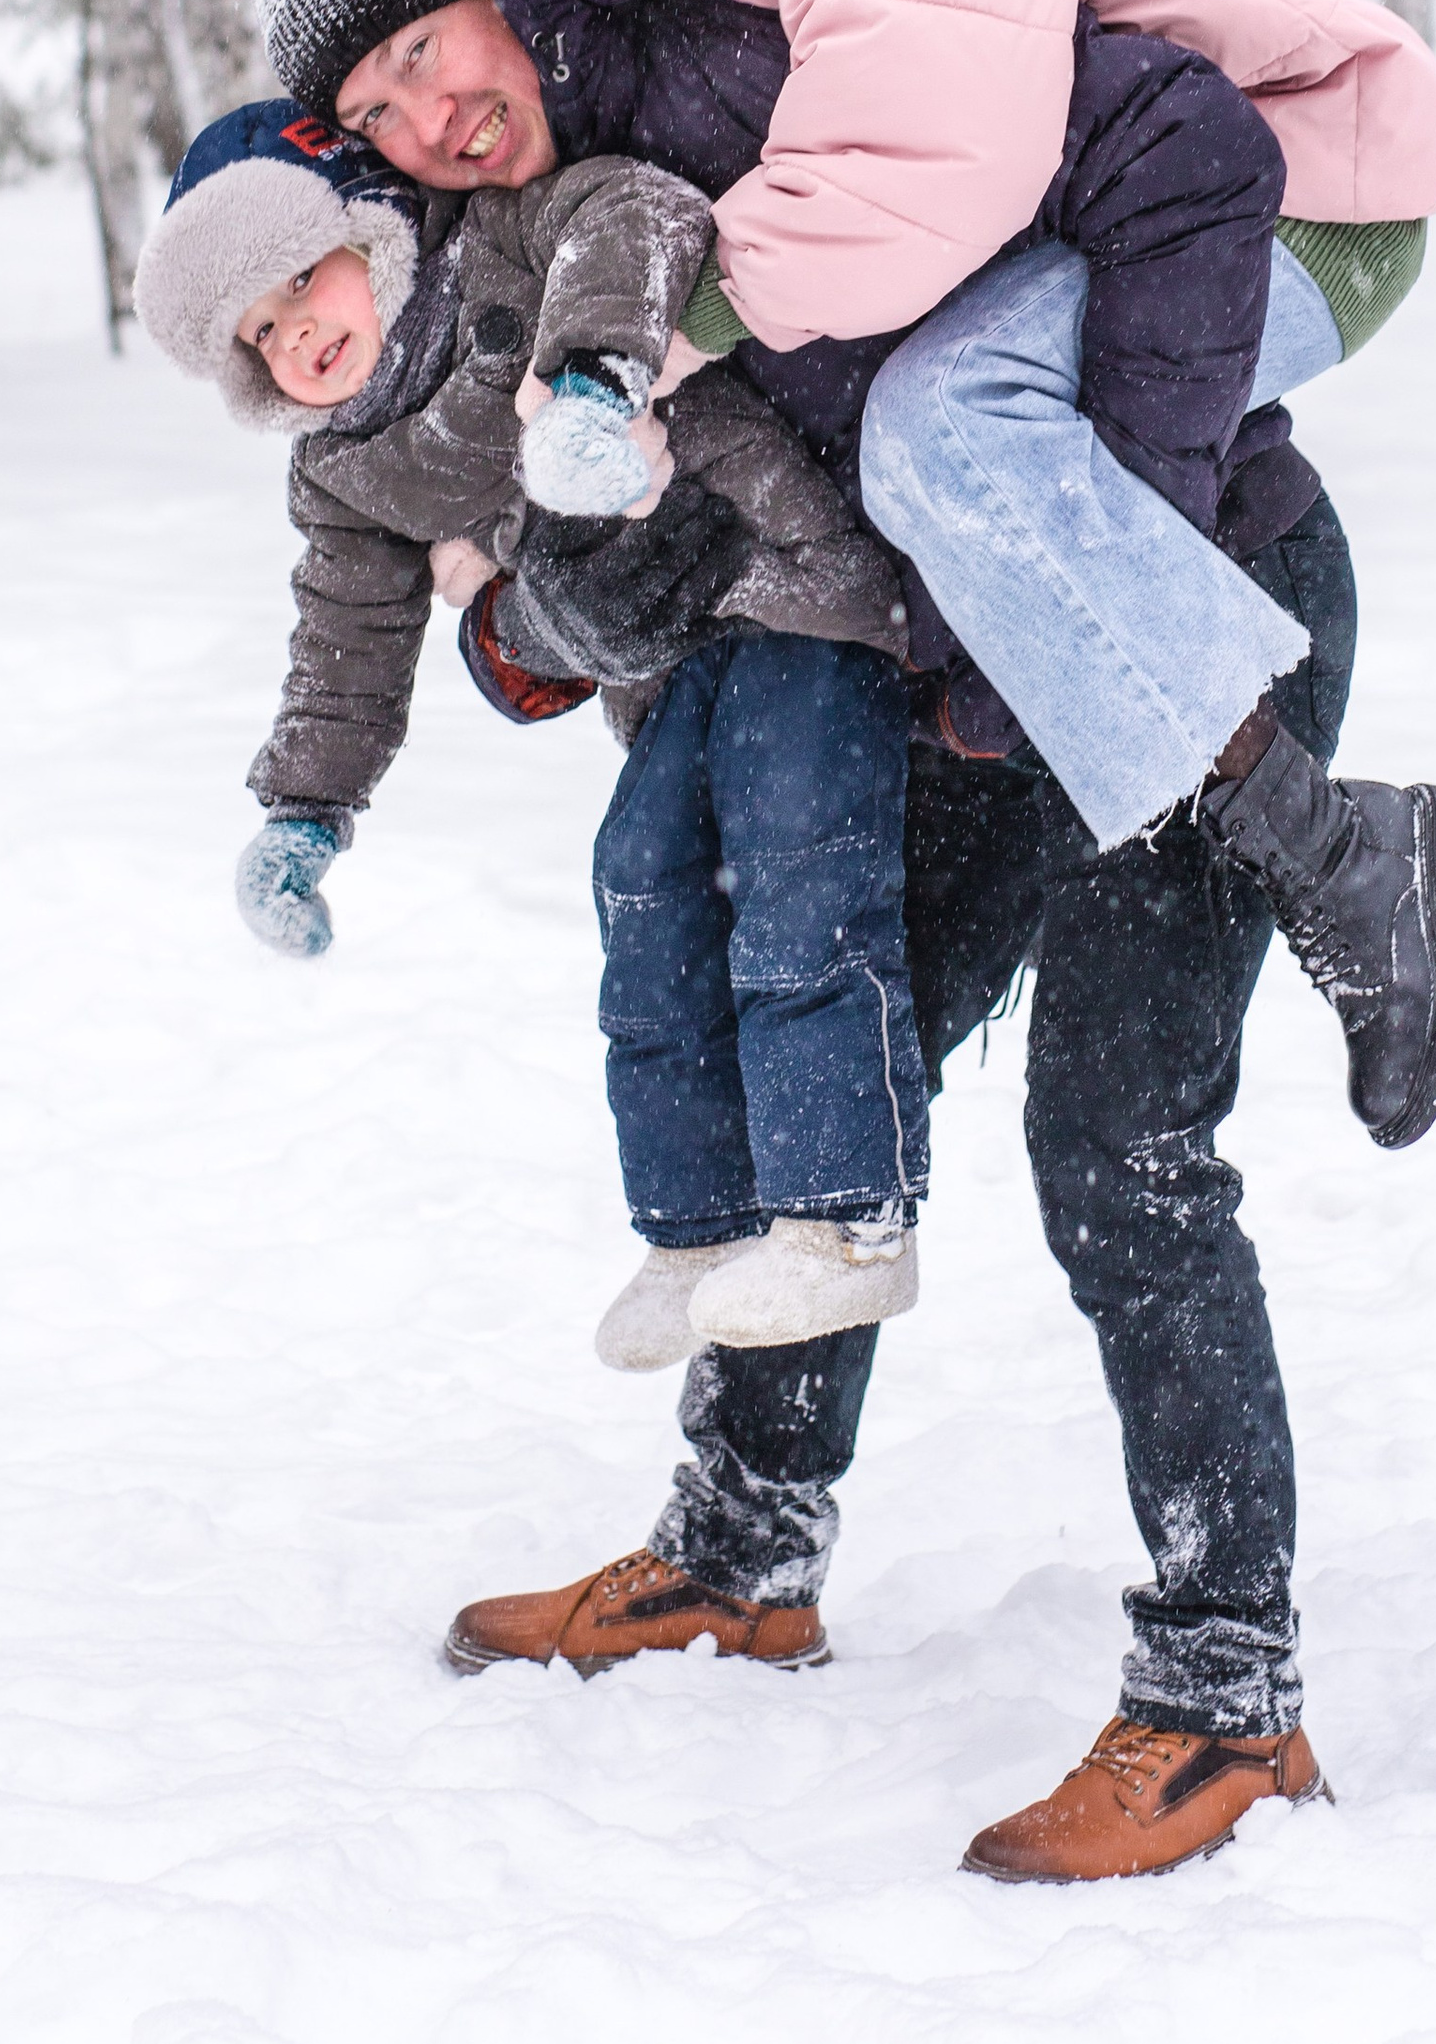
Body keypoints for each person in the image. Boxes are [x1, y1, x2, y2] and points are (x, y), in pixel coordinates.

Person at [235, 0, 1416, 1881]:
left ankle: (1228, 1694)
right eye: (380, 100)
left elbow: (1093, 252)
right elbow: (555, 614)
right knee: (833, 1080)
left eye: (434, 42)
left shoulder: (762, 81)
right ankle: (739, 1555)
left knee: (1117, 1143)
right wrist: (555, 593)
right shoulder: (520, 268)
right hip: (947, 691)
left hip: (1173, 611)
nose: (430, 108)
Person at [263, 0, 1436, 1131]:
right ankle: (1321, 848)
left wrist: (663, 336)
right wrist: (507, 585)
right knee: (939, 440)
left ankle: (1338, 851)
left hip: (1305, 180)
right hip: (1129, 212)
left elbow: (925, 157)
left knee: (945, 423)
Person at [130, 84, 932, 1358]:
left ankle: (847, 1221)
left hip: (789, 589)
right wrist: (304, 810)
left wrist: (595, 385)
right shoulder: (343, 468)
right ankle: (697, 1230)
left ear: (360, 230)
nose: (298, 335)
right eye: (262, 334)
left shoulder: (494, 245)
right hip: (662, 668)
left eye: (298, 285)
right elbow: (344, 640)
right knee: (643, 887)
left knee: (795, 874)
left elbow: (636, 209)